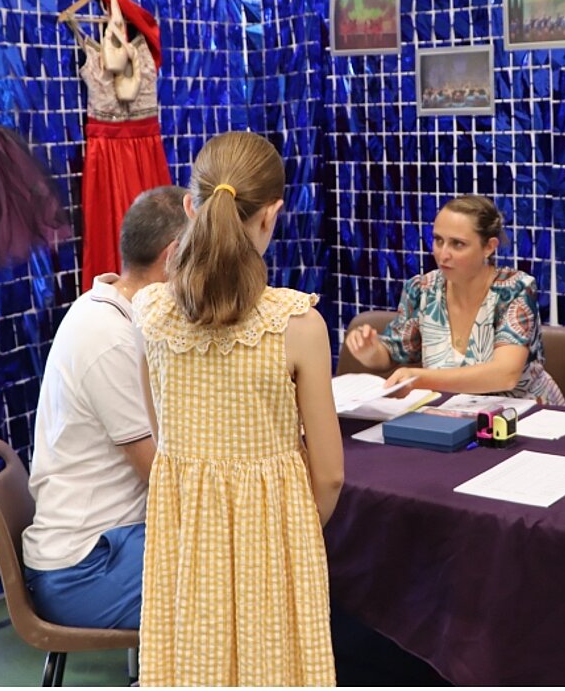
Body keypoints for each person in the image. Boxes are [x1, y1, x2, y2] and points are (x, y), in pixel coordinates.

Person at [132, 130, 343, 686]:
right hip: (273, 542)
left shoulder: (150, 312)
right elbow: (331, 476)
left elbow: (162, 431)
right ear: (273, 216)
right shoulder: (298, 325)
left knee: (193, 669)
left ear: (188, 207)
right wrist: (289, 527)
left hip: (184, 540)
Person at [22, 185, 188, 630]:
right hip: (83, 567)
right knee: (235, 578)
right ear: (173, 258)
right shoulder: (108, 337)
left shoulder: (117, 314)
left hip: (114, 542)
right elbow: (161, 477)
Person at [345, 195, 565, 404]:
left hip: (525, 416)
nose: (443, 254)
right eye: (438, 241)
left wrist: (420, 379)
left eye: (457, 244)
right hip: (452, 414)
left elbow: (505, 375)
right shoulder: (422, 289)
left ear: (489, 247)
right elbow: (392, 355)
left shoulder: (515, 289)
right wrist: (371, 351)